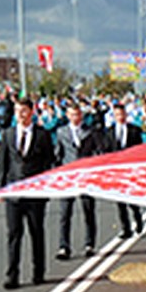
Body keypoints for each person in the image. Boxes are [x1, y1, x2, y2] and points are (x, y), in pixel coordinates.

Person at [0, 97, 54, 289]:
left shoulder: (42, 135)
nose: (20, 115)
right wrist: (0, 188)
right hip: (14, 193)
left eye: (24, 111)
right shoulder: (8, 134)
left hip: (35, 194)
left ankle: (39, 271)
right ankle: (12, 274)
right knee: (14, 234)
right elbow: (2, 164)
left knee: (36, 233)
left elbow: (49, 162)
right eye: (17, 111)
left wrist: (46, 187)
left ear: (31, 112)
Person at [53, 101, 101, 259]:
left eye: (78, 114)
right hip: (68, 177)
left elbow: (97, 152)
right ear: (67, 115)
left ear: (82, 115)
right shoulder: (61, 132)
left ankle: (89, 244)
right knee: (65, 213)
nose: (75, 117)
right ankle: (63, 246)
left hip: (85, 176)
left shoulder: (91, 132)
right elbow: (58, 155)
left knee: (88, 211)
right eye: (72, 114)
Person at [103, 103, 145, 238]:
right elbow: (106, 151)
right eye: (117, 115)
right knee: (119, 200)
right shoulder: (109, 132)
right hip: (116, 170)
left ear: (125, 115)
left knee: (132, 198)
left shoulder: (134, 130)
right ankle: (125, 228)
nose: (119, 117)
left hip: (130, 169)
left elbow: (139, 150)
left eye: (121, 114)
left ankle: (137, 218)